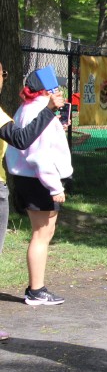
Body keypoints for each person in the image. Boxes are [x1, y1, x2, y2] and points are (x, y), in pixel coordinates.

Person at [0, 63, 65, 333]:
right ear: (47, 91)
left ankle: (36, 289)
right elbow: (29, 146)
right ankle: (36, 290)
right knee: (42, 233)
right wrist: (54, 186)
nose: (4, 78)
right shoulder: (36, 110)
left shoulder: (21, 109)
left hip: (18, 179)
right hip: (35, 180)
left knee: (43, 233)